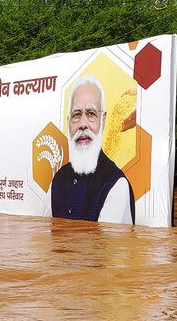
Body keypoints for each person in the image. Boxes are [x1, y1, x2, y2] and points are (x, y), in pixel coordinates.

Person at [50, 76, 135, 224]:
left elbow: (108, 247)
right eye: (76, 115)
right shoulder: (58, 180)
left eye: (91, 114)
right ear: (68, 122)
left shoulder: (116, 185)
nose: (83, 124)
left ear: (103, 120)